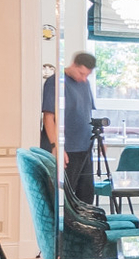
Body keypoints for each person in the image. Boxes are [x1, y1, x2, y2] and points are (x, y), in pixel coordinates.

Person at [41, 52, 99, 205]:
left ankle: (85, 222)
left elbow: (87, 114)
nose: (83, 78)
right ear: (73, 65)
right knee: (66, 196)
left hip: (85, 147)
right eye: (81, 73)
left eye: (87, 75)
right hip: (67, 149)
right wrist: (57, 147)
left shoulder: (85, 84)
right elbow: (48, 117)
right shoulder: (55, 83)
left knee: (86, 195)